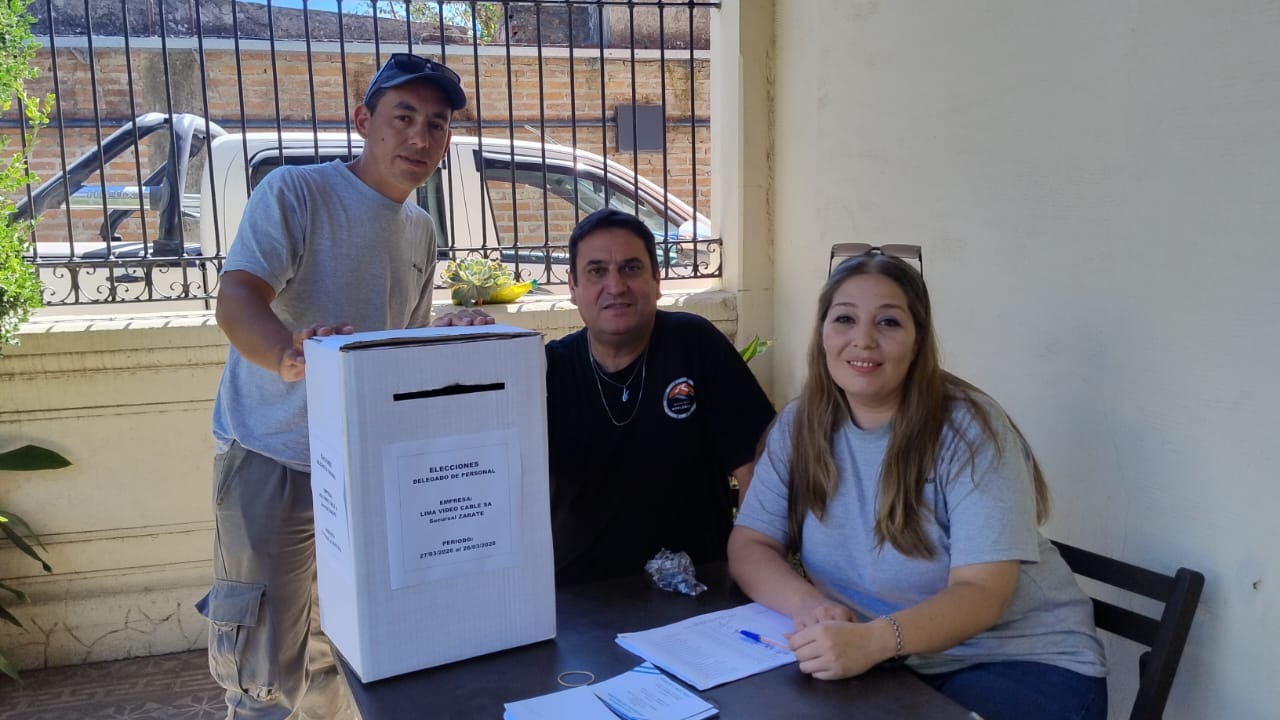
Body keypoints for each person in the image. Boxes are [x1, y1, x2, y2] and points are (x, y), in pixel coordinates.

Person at [197, 53, 492, 719]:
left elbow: (393, 347)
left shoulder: (420, 229)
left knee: (349, 644)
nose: (419, 137)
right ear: (363, 120)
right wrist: (285, 353)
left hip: (360, 464)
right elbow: (237, 296)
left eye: (436, 124)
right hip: (271, 454)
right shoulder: (296, 193)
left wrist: (443, 332)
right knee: (264, 663)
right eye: (403, 117)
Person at [729, 249, 1107, 720]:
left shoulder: (969, 430)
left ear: (918, 341)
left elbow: (981, 592)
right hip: (892, 662)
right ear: (822, 333)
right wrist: (809, 606)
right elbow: (751, 545)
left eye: (888, 322)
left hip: (1018, 662)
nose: (863, 340)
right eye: (844, 319)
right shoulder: (800, 426)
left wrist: (873, 641)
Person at [545, 208, 776, 586]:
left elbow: (758, 470)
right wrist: (455, 339)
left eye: (631, 268)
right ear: (573, 287)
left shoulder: (695, 345)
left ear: (656, 279)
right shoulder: (550, 368)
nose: (615, 286)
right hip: (580, 594)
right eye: (597, 271)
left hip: (698, 587)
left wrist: (752, 569)